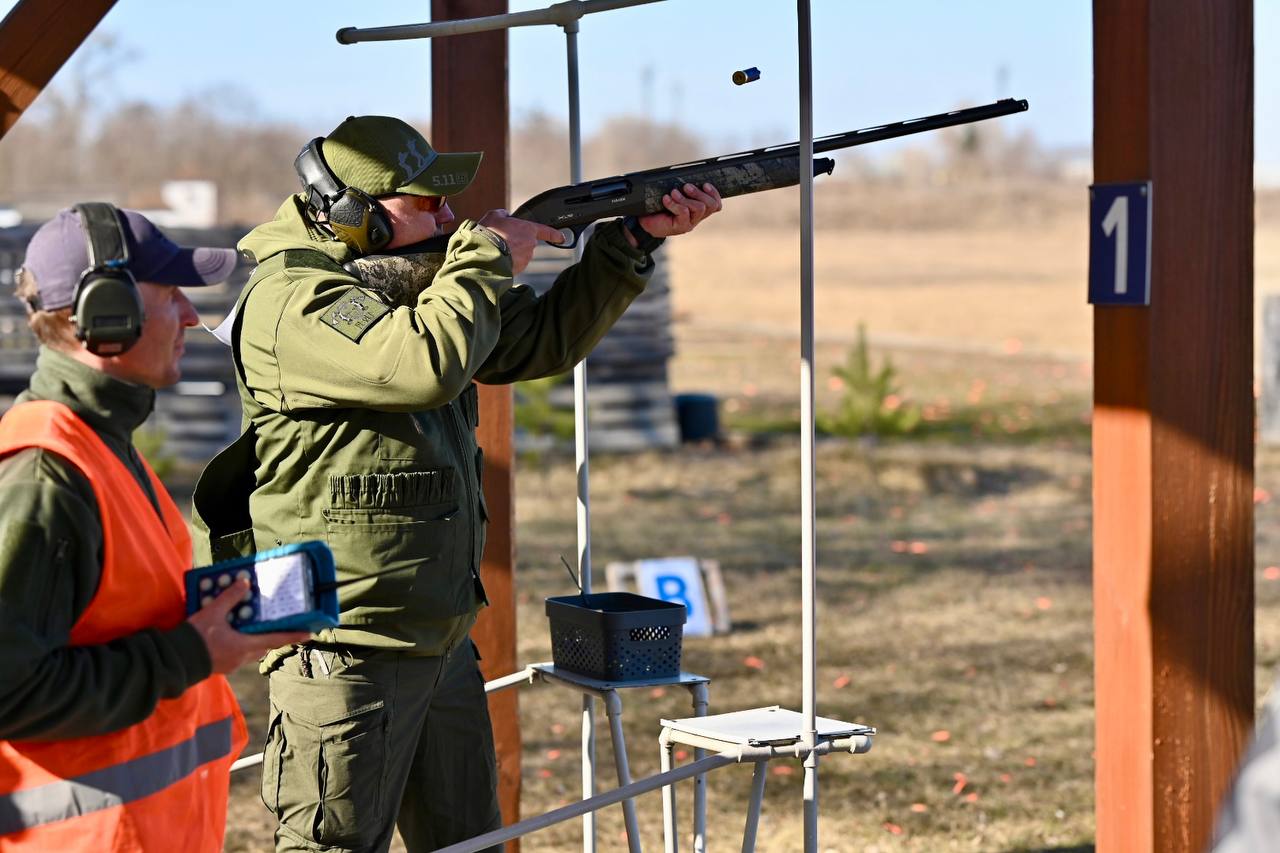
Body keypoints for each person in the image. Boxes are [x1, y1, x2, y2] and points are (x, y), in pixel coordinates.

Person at [190, 114, 722, 852]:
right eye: (426, 204)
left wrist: (631, 242)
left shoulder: (406, 276)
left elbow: (534, 341)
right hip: (345, 647)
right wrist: (487, 258)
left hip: (436, 635)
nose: (449, 216)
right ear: (352, 215)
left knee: (466, 843)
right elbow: (422, 362)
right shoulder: (297, 297)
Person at [0, 204, 309, 853]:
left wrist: (218, 619)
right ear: (107, 315)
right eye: (172, 295)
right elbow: (11, 689)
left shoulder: (101, 445)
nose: (193, 316)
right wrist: (194, 653)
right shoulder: (44, 478)